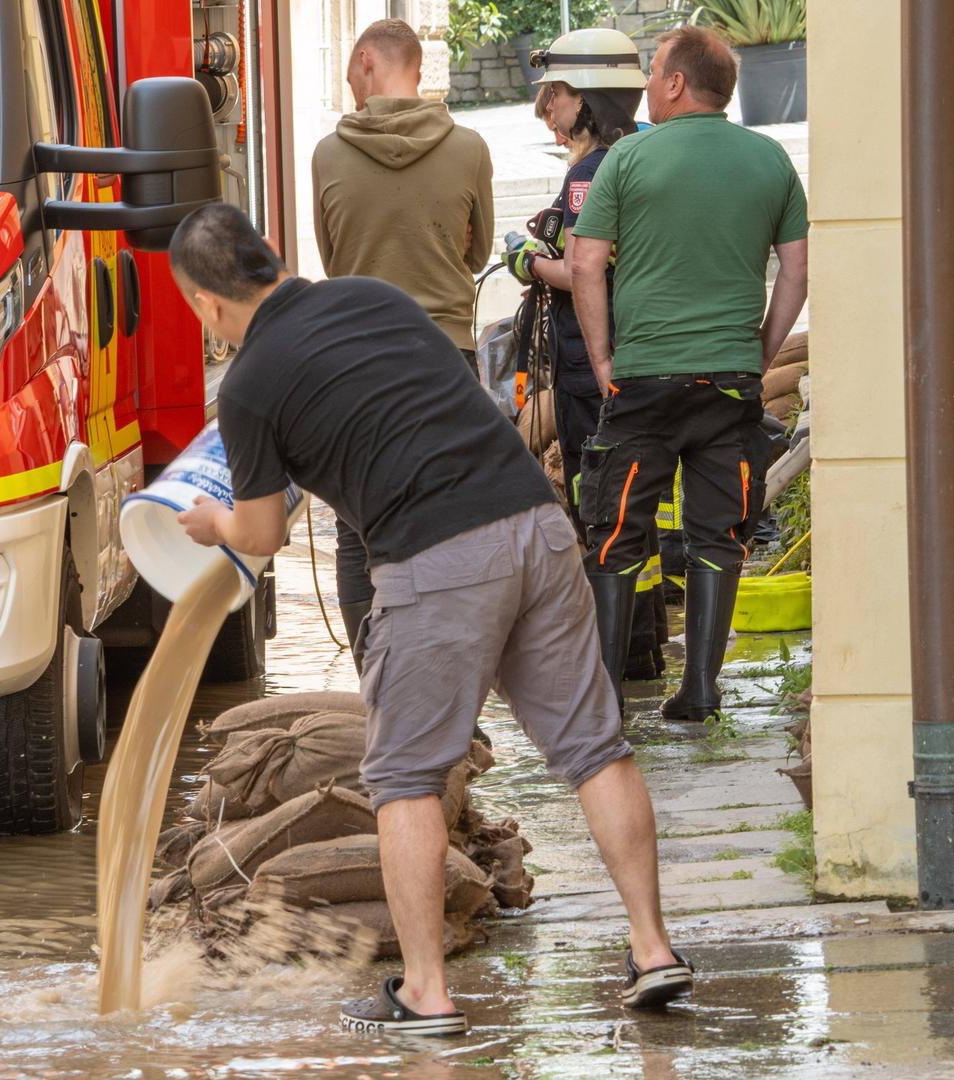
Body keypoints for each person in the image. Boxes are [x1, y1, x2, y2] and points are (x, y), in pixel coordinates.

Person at [168, 204, 692, 1035]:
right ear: (271, 260)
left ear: (207, 303)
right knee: (596, 749)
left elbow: (261, 534)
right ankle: (654, 949)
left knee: (406, 779)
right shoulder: (375, 297)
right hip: (535, 522)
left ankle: (425, 993)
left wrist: (211, 525)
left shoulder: (248, 387)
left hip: (436, 559)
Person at [568, 26, 810, 722]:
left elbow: (586, 263)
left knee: (616, 531)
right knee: (718, 532)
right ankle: (700, 688)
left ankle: (606, 697)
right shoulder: (769, 159)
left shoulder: (629, 158)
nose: (646, 85)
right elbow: (795, 270)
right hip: (729, 378)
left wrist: (605, 358)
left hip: (642, 377)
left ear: (675, 83)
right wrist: (761, 353)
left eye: (653, 74)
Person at [310, 18, 496, 662]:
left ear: (365, 61)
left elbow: (335, 262)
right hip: (446, 358)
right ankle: (445, 680)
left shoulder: (329, 154)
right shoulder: (468, 147)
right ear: (414, 69)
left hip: (358, 361)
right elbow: (476, 255)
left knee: (359, 531)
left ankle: (377, 686)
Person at [502, 28, 665, 692]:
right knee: (639, 503)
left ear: (591, 96)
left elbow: (582, 271)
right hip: (645, 351)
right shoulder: (647, 154)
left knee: (598, 503)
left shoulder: (589, 172)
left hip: (587, 363)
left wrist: (525, 258)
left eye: (558, 95)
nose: (546, 109)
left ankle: (616, 664)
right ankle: (648, 646)